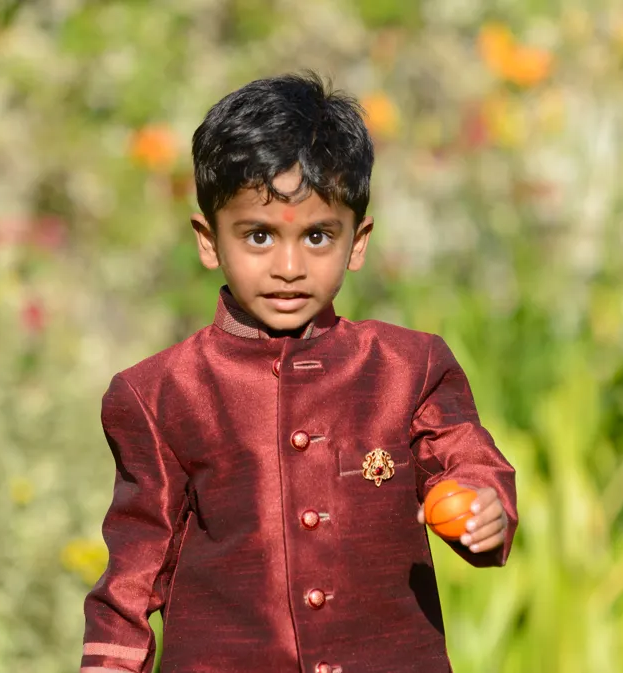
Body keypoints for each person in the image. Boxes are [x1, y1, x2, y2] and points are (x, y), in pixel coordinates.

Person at [80, 71, 517, 673]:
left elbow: (468, 464)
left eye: (317, 236)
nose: (289, 266)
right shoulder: (158, 393)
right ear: (209, 241)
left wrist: (481, 506)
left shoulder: (409, 368)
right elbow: (133, 574)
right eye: (258, 235)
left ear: (357, 243)